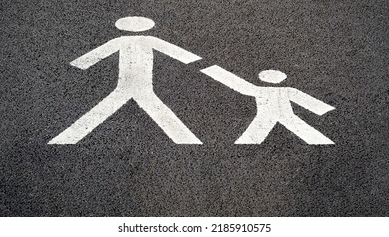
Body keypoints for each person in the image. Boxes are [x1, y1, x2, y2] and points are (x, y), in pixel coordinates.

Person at [49, 16, 202, 145]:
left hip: (130, 84)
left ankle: (71, 135)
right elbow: (184, 56)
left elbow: (87, 59)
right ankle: (182, 136)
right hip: (137, 84)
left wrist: (78, 65)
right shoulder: (150, 40)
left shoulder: (120, 41)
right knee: (146, 102)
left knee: (118, 103)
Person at [201, 66, 335, 145]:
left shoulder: (261, 89)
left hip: (268, 115)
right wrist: (322, 109)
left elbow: (244, 88)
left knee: (254, 134)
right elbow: (311, 103)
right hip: (282, 115)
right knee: (297, 126)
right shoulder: (289, 90)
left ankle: (244, 149)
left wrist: (215, 71)